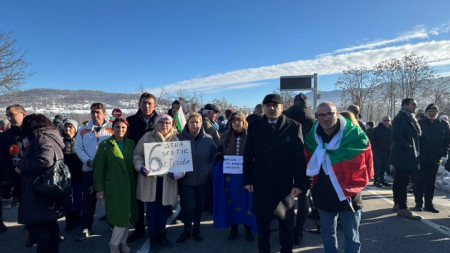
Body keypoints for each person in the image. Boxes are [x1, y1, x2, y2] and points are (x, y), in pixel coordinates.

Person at [243, 94, 309, 253]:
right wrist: (248, 180)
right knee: (263, 220)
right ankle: (263, 249)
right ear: (263, 107)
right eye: (267, 105)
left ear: (282, 107)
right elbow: (248, 155)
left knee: (285, 220)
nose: (271, 108)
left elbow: (299, 157)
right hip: (261, 181)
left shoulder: (294, 126)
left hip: (284, 183)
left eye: (275, 105)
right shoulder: (254, 126)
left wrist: (299, 183)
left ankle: (287, 249)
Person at [305, 102, 373, 253]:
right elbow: (306, 161)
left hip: (349, 193)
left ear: (337, 114)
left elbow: (366, 161)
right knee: (328, 234)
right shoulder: (312, 137)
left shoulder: (354, 134)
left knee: (352, 236)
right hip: (324, 192)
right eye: (321, 115)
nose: (326, 118)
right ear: (316, 117)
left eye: (330, 113)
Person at [15, 114, 64, 253]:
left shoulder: (42, 138)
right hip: (48, 189)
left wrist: (22, 163)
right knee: (51, 229)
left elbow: (45, 161)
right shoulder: (52, 136)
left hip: (39, 190)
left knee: (42, 235)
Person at [133, 114, 182, 252]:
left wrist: (178, 173)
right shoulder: (147, 137)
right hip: (151, 181)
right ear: (156, 123)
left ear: (171, 124)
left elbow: (182, 162)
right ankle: (153, 236)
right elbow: (137, 155)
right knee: (152, 210)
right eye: (161, 122)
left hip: (167, 181)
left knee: (163, 210)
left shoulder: (175, 140)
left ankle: (161, 234)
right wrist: (140, 167)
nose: (164, 125)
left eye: (167, 122)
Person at [93, 118, 138, 253]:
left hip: (130, 185)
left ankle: (122, 242)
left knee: (128, 215)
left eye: (123, 127)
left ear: (127, 129)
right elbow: (98, 168)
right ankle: (113, 244)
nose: (120, 130)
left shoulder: (131, 144)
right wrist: (99, 188)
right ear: (113, 128)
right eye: (117, 127)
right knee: (120, 217)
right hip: (114, 187)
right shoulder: (105, 145)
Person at [213, 111, 256, 241]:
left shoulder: (251, 136)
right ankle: (234, 228)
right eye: (234, 121)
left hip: (247, 174)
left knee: (248, 202)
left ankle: (248, 228)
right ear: (230, 123)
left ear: (244, 122)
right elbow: (218, 150)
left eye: (239, 120)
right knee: (232, 201)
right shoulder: (225, 135)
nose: (237, 123)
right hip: (230, 177)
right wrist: (219, 156)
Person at [75, 103, 113, 240]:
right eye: (92, 112)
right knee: (88, 200)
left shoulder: (111, 129)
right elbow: (78, 148)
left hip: (107, 171)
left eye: (98, 112)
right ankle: (86, 227)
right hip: (89, 171)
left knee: (109, 199)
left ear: (104, 113)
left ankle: (112, 223)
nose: (95, 115)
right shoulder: (83, 130)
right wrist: (89, 162)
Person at [176, 112, 217, 244]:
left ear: (201, 124)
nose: (195, 125)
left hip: (203, 180)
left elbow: (215, 156)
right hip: (186, 180)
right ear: (187, 124)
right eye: (192, 122)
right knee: (188, 206)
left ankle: (197, 228)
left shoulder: (208, 139)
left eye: (197, 122)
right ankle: (186, 229)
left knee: (199, 206)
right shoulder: (179, 139)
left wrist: (210, 170)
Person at [283, 92, 315, 245]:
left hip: (287, 161)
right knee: (304, 198)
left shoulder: (285, 115)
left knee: (286, 196)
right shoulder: (314, 119)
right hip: (307, 162)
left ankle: (287, 227)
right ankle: (299, 231)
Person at [126, 92, 158, 243]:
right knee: (138, 199)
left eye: (149, 103)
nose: (146, 106)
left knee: (155, 199)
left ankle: (157, 228)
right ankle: (139, 228)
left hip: (157, 167)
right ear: (139, 105)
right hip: (136, 165)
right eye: (144, 103)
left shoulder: (161, 120)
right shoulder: (130, 121)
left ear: (154, 106)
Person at [414, 104, 450, 213]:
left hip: (435, 158)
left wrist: (443, 152)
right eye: (429, 111)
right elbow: (415, 140)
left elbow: (447, 140)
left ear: (437, 113)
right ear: (426, 112)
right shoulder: (419, 123)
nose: (432, 113)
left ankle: (429, 204)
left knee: (431, 183)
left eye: (434, 111)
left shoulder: (443, 124)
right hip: (421, 158)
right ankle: (418, 203)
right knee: (419, 182)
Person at [390, 98, 422, 220]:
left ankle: (398, 204)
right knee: (402, 182)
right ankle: (403, 208)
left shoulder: (408, 117)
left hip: (404, 154)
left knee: (399, 180)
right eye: (413, 104)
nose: (415, 106)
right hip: (403, 155)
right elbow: (397, 137)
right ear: (405, 105)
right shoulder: (400, 118)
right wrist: (409, 147)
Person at [0, 104, 27, 233]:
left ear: (23, 114)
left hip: (32, 173)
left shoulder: (33, 132)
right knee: (22, 202)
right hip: (14, 175)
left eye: (12, 115)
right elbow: (2, 157)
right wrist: (9, 173)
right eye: (8, 116)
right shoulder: (5, 136)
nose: (9, 118)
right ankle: (30, 229)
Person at [62, 119, 83, 232]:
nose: (68, 129)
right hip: (65, 174)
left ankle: (77, 217)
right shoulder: (60, 141)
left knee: (78, 197)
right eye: (66, 127)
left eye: (71, 127)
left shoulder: (80, 140)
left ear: (75, 128)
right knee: (67, 199)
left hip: (78, 172)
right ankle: (69, 219)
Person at [371, 116, 392, 187]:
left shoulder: (391, 129)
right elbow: (372, 139)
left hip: (387, 150)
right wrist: (374, 148)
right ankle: (376, 180)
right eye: (385, 120)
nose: (387, 122)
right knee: (377, 166)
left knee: (384, 166)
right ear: (382, 121)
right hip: (378, 150)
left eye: (388, 120)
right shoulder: (377, 129)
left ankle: (382, 179)